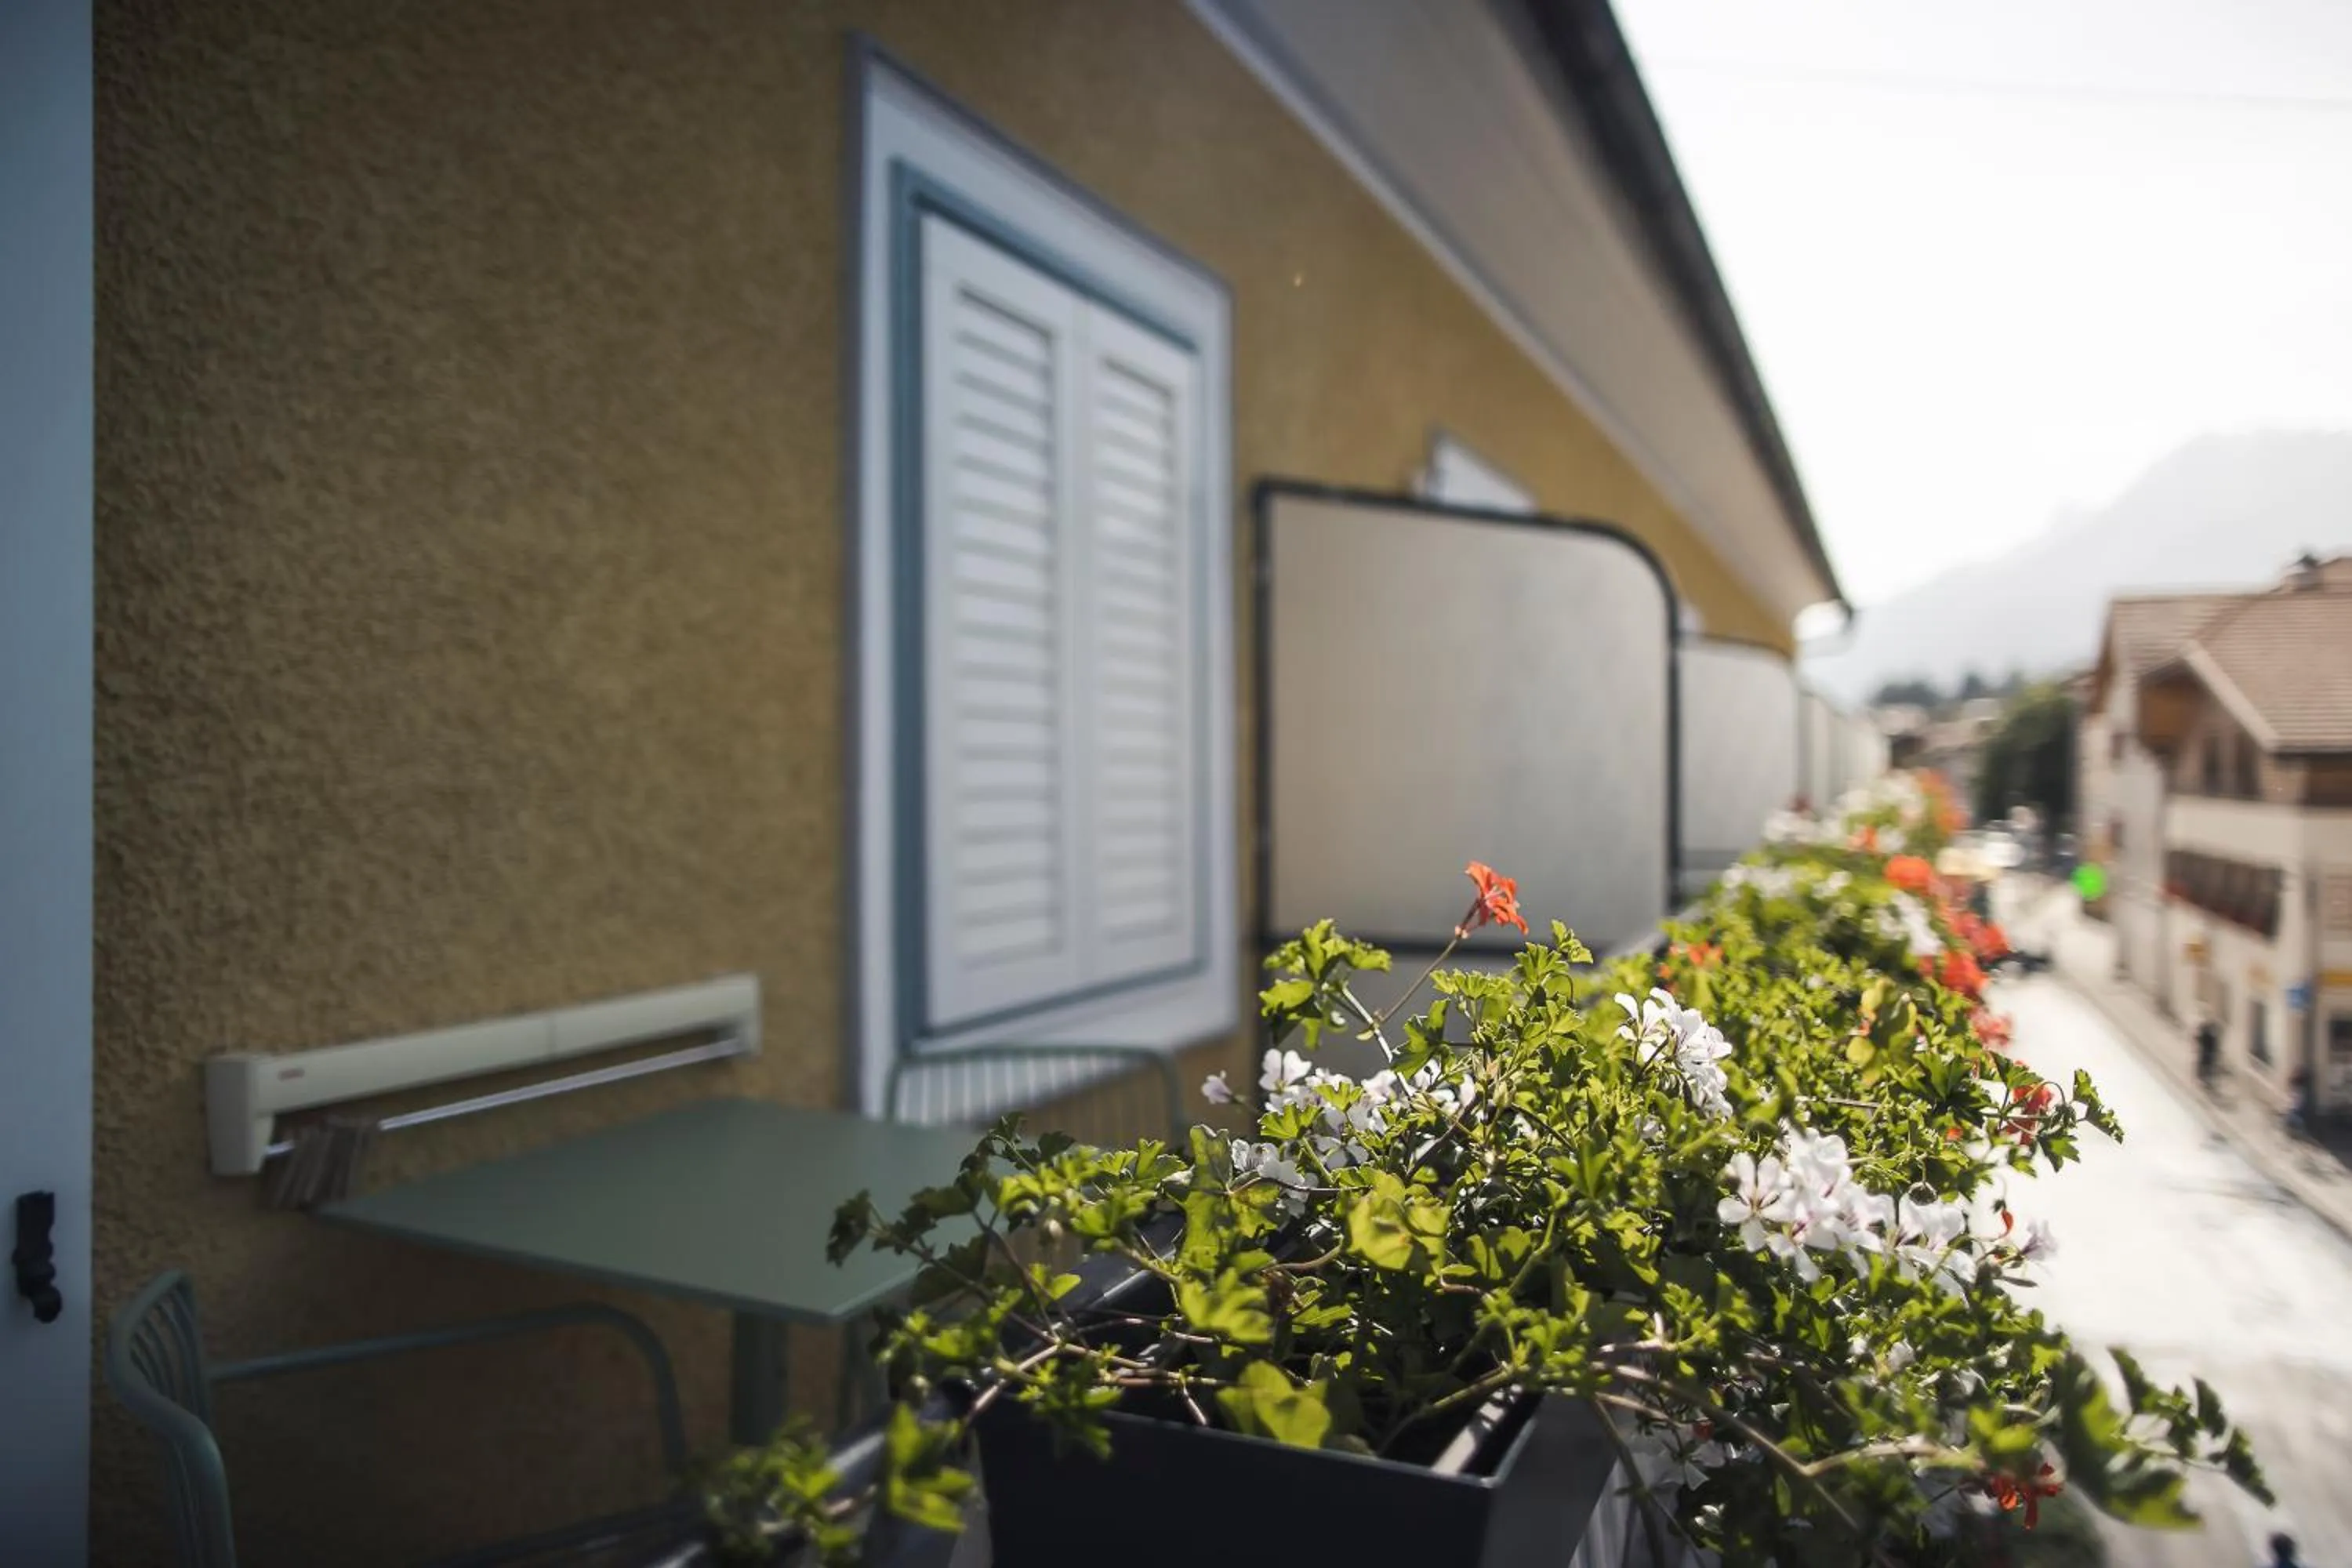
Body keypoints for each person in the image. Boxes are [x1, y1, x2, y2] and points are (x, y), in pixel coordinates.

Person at [2195, 1018, 2221, 1086]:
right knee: (2205, 1065)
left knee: (2207, 1065)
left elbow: (2214, 1045)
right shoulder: (2208, 1033)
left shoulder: (2210, 1034)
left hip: (2208, 1053)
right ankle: (2202, 1078)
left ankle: (2204, 1078)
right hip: (2207, 1052)